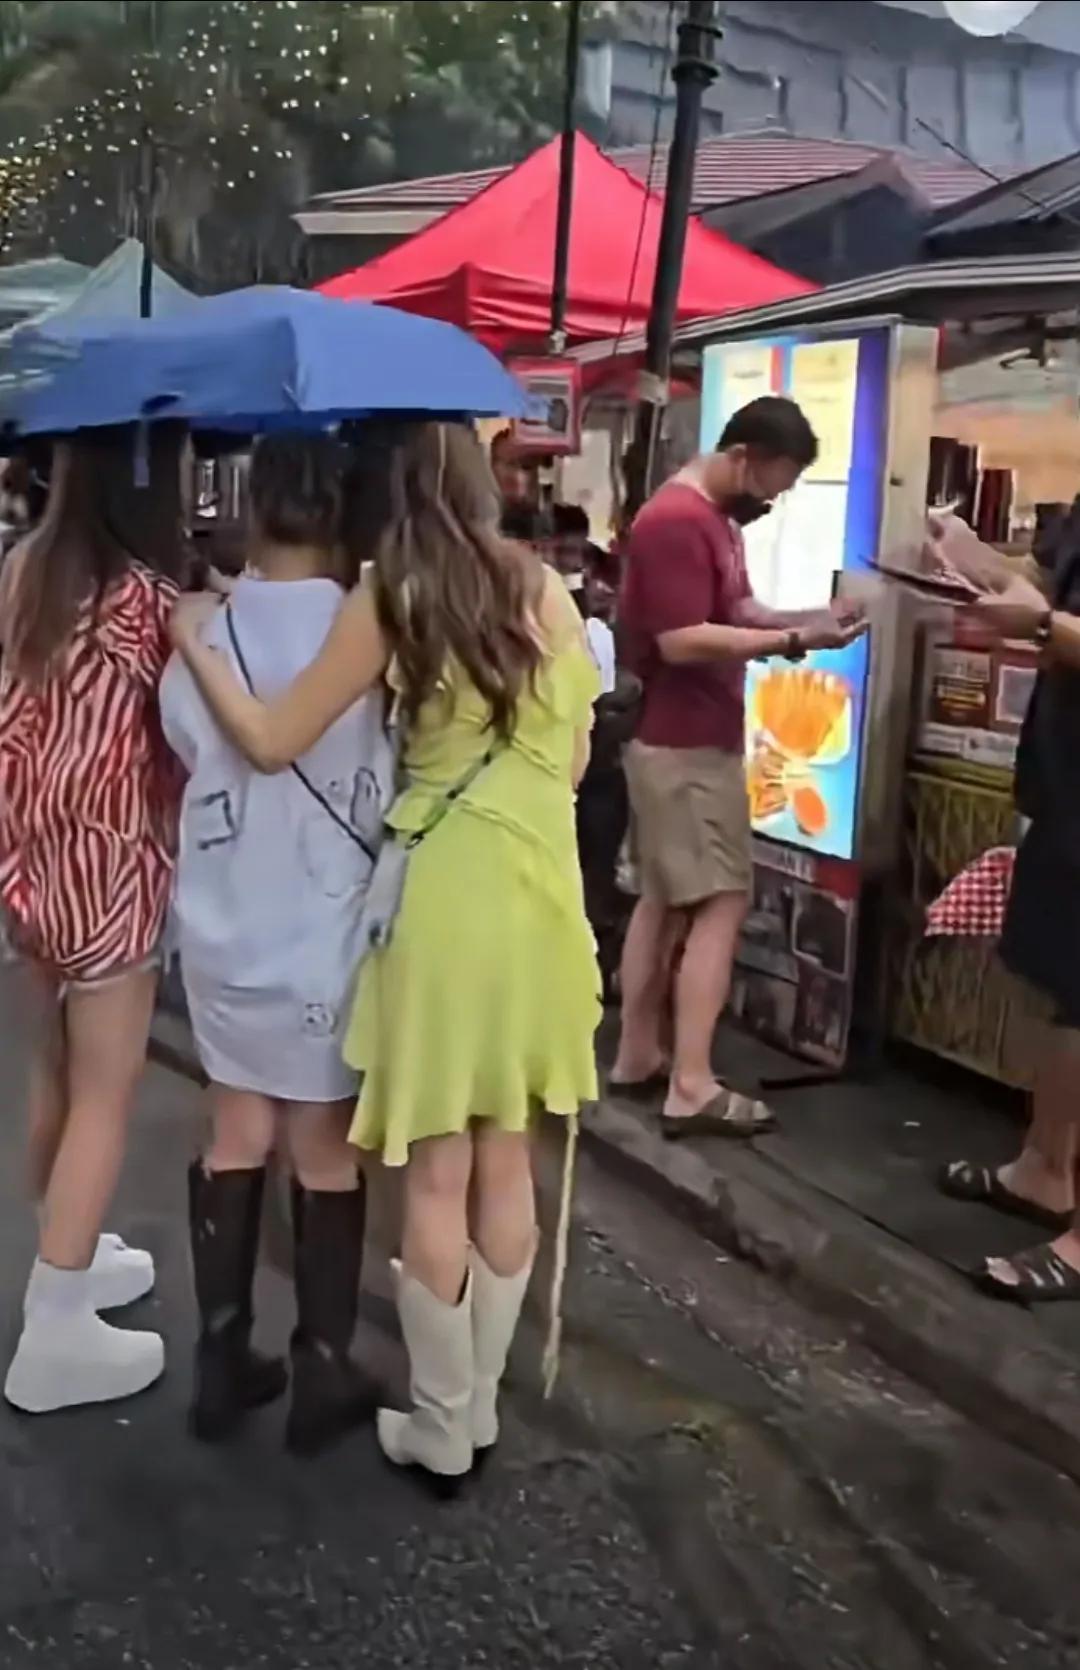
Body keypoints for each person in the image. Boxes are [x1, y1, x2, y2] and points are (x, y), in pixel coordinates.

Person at [168, 419, 600, 1492]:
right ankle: (468, 1403)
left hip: (435, 896)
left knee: (434, 1169)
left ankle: (431, 1416)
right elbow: (573, 760)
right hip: (545, 897)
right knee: (509, 1154)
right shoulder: (548, 594)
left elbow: (267, 740)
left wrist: (194, 640)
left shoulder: (394, 599)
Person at [159, 433, 394, 1452]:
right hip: (324, 926)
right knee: (322, 1145)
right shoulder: (368, 627)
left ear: (253, 509)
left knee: (235, 1128)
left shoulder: (202, 631)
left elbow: (186, 742)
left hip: (220, 920)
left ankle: (220, 1361)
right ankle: (322, 1367)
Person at [612, 396, 866, 1139]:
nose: (775, 498)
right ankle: (691, 1083)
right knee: (721, 900)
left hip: (688, 739)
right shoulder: (676, 522)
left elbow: (736, 609)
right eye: (776, 480)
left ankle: (638, 1053)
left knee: (663, 899)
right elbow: (683, 640)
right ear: (743, 456)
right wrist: (790, 643)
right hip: (684, 743)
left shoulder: (714, 521)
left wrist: (807, 622)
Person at [1, 429, 183, 1414]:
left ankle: (61, 1249)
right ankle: (57, 1322)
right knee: (108, 1092)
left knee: (54, 1071)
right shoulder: (146, 599)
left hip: (30, 859)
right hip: (111, 868)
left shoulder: (24, 571)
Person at [933, 513, 1080, 1301]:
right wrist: (983, 565)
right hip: (1064, 786)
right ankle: (1044, 1170)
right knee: (1059, 993)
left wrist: (1045, 626)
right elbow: (1052, 583)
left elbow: (1053, 616)